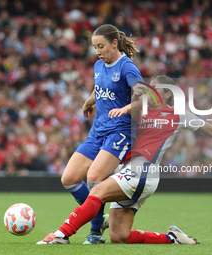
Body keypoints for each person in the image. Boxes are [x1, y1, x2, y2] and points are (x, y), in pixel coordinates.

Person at [37, 75, 212, 245]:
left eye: (155, 89)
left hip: (143, 173)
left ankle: (61, 235)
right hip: (130, 173)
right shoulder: (141, 109)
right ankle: (173, 238)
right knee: (119, 236)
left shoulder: (178, 114)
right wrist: (98, 100)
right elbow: (111, 92)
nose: (149, 92)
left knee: (96, 191)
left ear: (168, 93)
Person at [59, 24, 143, 244]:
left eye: (101, 46)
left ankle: (95, 233)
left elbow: (143, 97)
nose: (98, 51)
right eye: (95, 47)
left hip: (120, 132)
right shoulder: (99, 65)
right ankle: (100, 217)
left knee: (94, 178)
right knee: (68, 179)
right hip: (98, 132)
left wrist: (125, 109)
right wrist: (90, 100)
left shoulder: (128, 67)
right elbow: (100, 87)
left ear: (114, 43)